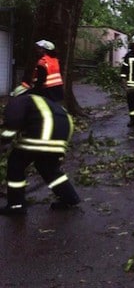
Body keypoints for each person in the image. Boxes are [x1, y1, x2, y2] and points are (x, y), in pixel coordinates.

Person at [0, 84, 80, 216]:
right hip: (61, 138)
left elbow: (13, 122)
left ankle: (16, 205)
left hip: (41, 137)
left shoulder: (19, 100)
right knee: (49, 169)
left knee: (15, 164)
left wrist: (3, 142)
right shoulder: (43, 101)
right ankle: (69, 198)